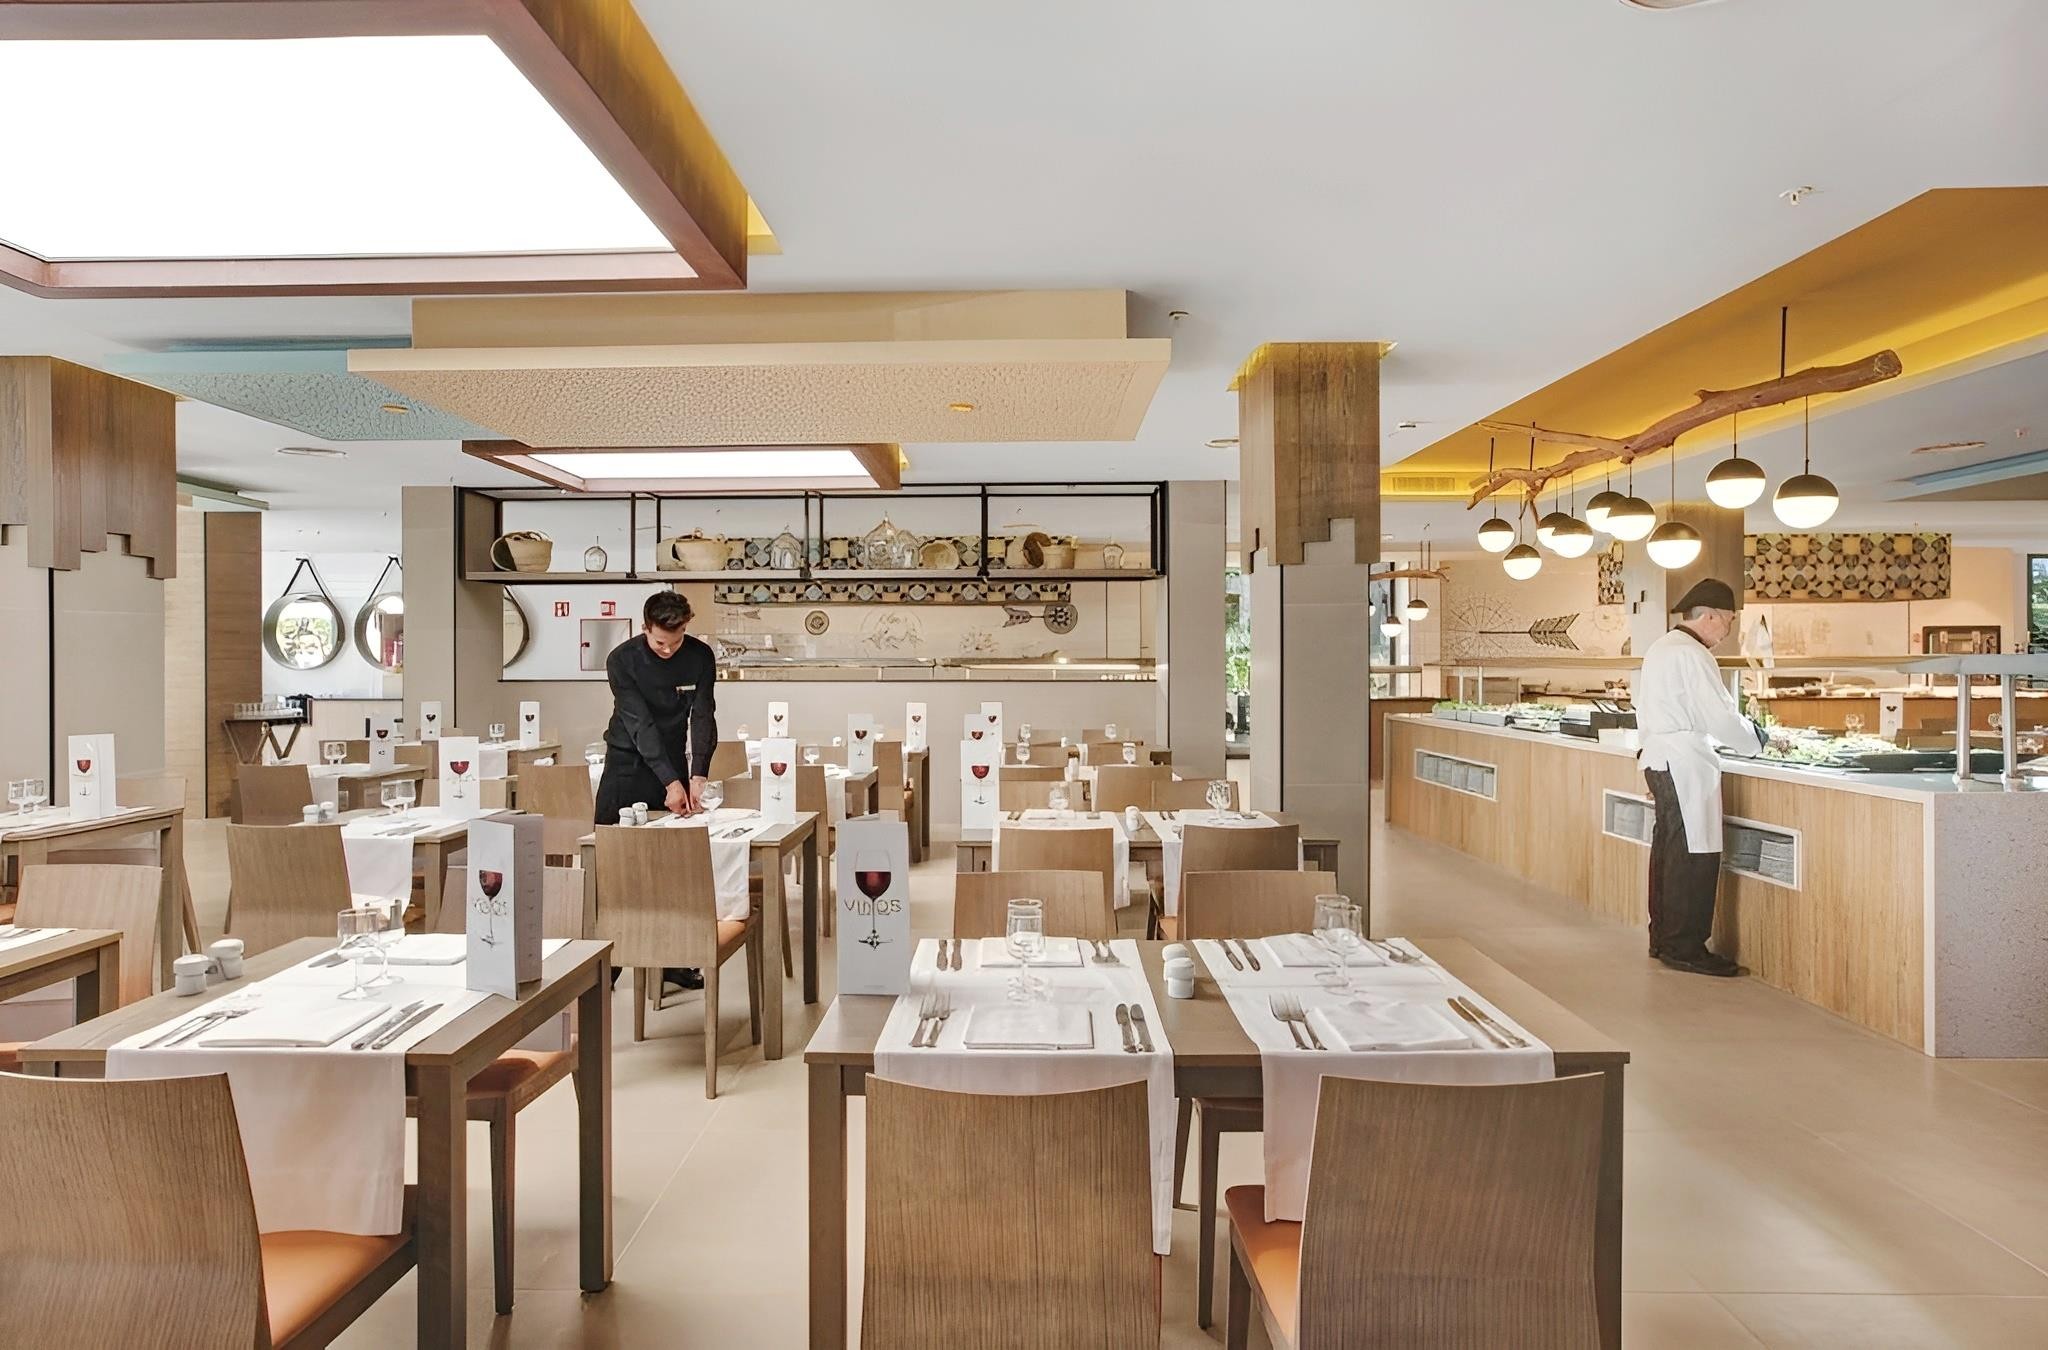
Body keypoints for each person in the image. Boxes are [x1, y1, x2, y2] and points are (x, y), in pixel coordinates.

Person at [1635, 577, 1767, 977]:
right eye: (1728, 620)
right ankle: (1685, 947)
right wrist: (1756, 740)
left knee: (1669, 852)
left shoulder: (1662, 647)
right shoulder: (1692, 654)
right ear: (1709, 616)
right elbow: (1719, 717)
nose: (1728, 630)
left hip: (1660, 757)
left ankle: (1663, 938)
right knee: (1692, 856)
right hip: (1684, 762)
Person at [596, 590, 718, 989]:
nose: (668, 650)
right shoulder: (622, 660)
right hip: (627, 764)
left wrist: (697, 774)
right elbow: (640, 724)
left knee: (672, 864)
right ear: (645, 627)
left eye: (675, 641)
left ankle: (673, 960)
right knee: (616, 862)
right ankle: (610, 961)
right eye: (660, 642)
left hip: (674, 762)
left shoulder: (700, 656)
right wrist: (669, 780)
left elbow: (703, 715)